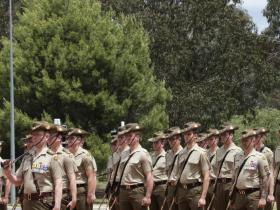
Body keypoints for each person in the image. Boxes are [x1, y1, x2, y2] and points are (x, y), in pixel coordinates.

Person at [3, 122, 63, 210]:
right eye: (33, 134)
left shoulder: (52, 157)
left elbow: (59, 182)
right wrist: (8, 173)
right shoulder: (27, 158)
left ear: (46, 137)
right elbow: (17, 182)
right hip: (27, 202)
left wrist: (57, 205)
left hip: (44, 202)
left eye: (37, 134)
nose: (33, 137)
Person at [171, 122, 210, 210]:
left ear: (195, 136)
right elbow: (178, 173)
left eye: (189, 134)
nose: (186, 136)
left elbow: (207, 176)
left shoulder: (201, 153)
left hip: (195, 190)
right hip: (182, 191)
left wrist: (203, 197)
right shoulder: (181, 153)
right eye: (185, 134)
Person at [230, 129, 270, 210]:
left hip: (253, 195)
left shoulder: (260, 157)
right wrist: (232, 197)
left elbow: (265, 178)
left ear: (253, 141)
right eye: (242, 140)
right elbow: (234, 178)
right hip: (238, 195)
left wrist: (263, 198)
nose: (244, 143)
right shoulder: (237, 156)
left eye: (246, 140)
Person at [117, 123, 153, 210]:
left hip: (137, 191)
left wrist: (148, 196)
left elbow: (149, 176)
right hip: (123, 191)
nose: (127, 138)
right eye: (126, 136)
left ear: (137, 137)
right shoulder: (124, 153)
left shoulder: (143, 153)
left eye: (130, 135)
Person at [48, 124, 77, 210]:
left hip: (63, 196)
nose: (48, 138)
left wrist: (74, 198)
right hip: (47, 197)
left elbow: (72, 178)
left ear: (59, 138)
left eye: (51, 136)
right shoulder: (46, 154)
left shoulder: (66, 156)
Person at [66, 128, 97, 210]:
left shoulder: (85, 155)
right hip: (67, 190)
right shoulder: (65, 154)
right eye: (68, 138)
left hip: (81, 191)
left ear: (79, 140)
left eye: (72, 138)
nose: (69, 140)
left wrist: (90, 194)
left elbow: (91, 176)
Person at [213, 123, 242, 210]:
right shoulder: (219, 151)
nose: (222, 137)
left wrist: (235, 189)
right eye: (221, 135)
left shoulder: (238, 151)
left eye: (225, 135)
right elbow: (217, 169)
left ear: (231, 135)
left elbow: (238, 173)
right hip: (219, 184)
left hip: (230, 184)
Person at [254, 127, 274, 210]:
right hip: (254, 189)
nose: (255, 139)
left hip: (264, 188)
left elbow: (271, 173)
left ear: (263, 138)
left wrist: (270, 193)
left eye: (258, 137)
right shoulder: (251, 151)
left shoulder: (268, 152)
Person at [148, 131, 168, 210]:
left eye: (156, 142)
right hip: (151, 187)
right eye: (153, 143)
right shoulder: (150, 156)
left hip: (162, 187)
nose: (154, 144)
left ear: (162, 143)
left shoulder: (167, 156)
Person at [165, 127, 183, 210]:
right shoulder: (168, 154)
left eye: (173, 139)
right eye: (169, 139)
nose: (170, 142)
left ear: (179, 139)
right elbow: (167, 172)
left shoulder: (184, 153)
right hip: (170, 187)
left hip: (180, 187)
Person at [0, 141, 11, 210]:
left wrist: (6, 197)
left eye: (0, 146)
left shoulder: (2, 161)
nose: (0, 148)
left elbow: (8, 178)